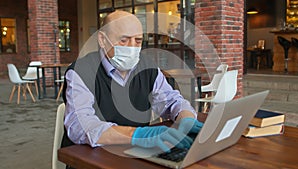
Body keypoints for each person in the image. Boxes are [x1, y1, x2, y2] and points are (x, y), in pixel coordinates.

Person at [61, 10, 203, 156]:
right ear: (102, 39)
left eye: (138, 41)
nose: (132, 47)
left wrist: (186, 117)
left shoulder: (148, 67)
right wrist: (136, 135)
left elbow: (171, 100)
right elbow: (79, 125)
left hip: (137, 155)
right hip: (91, 157)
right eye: (124, 40)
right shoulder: (81, 72)